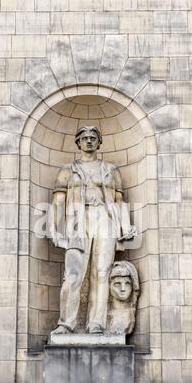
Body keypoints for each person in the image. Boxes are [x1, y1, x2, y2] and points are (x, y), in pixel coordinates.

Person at [50, 126, 136, 334]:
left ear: (99, 143)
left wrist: (125, 226)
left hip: (104, 220)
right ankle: (66, 323)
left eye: (93, 138)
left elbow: (118, 201)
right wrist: (56, 228)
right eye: (85, 138)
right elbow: (59, 200)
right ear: (78, 143)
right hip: (77, 220)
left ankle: (96, 323)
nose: (89, 141)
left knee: (102, 272)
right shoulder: (68, 170)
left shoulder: (110, 170)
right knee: (73, 274)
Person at [107, 261, 140, 335]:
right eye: (117, 284)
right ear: (109, 286)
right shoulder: (103, 316)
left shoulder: (130, 314)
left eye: (127, 284)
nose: (123, 289)